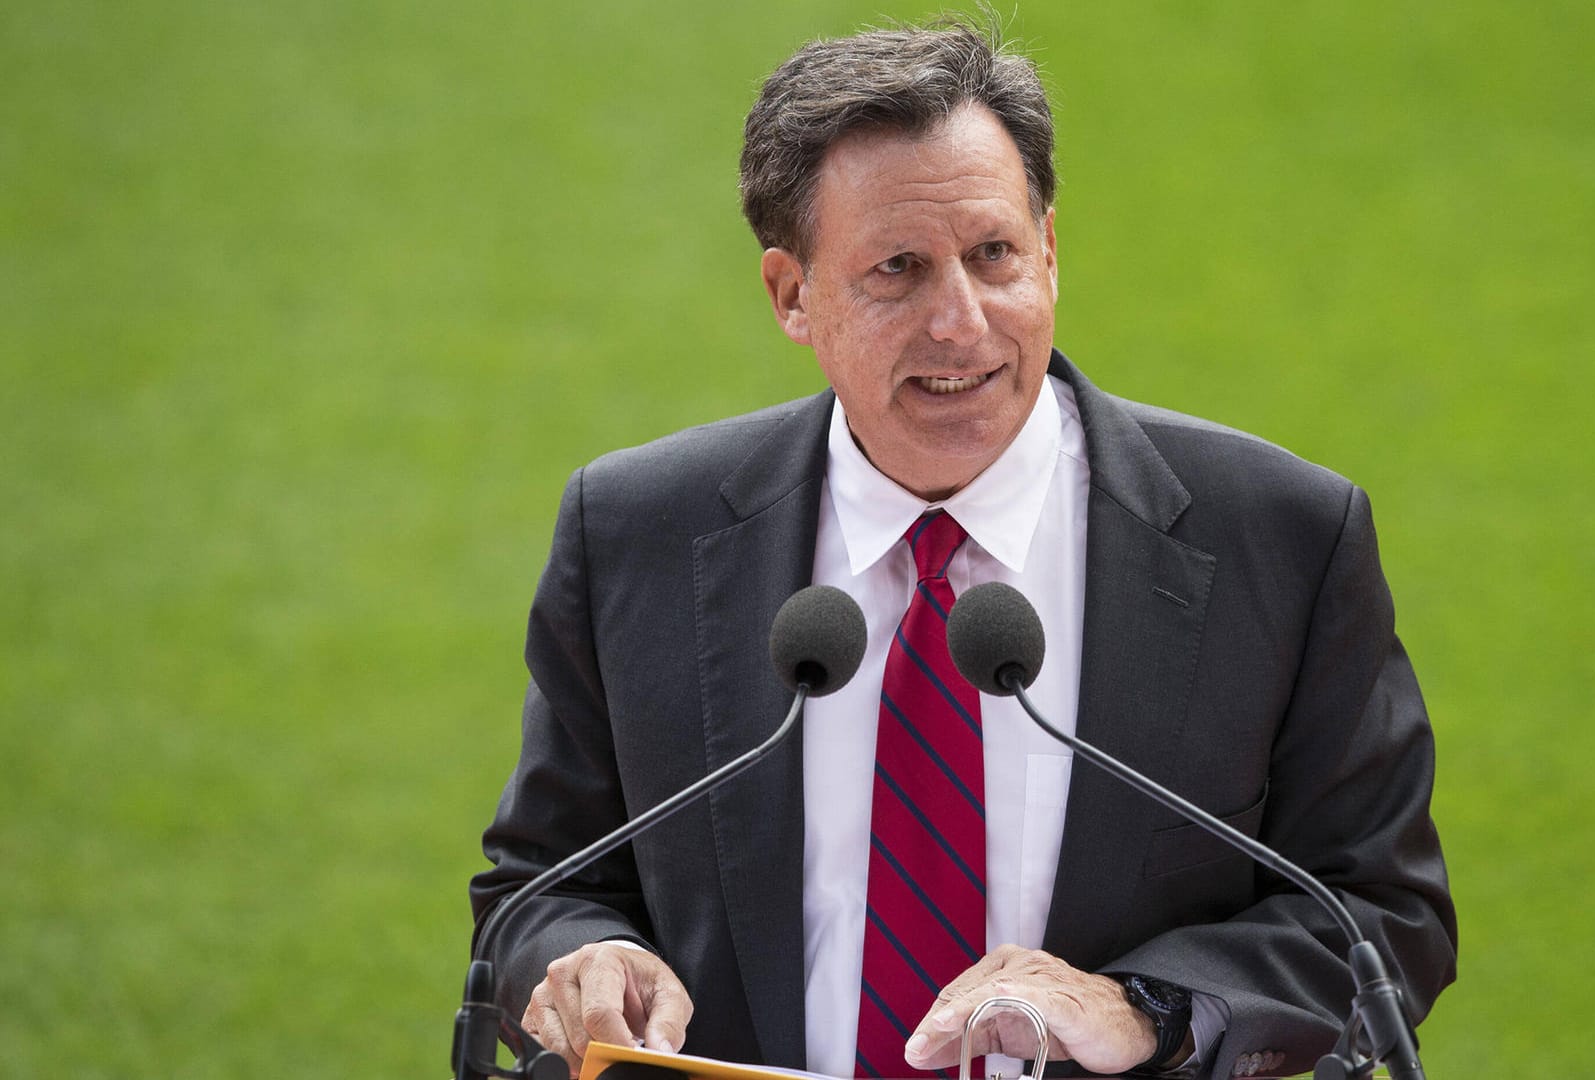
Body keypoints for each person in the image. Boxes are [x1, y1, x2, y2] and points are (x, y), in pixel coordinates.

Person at [471, 16, 1455, 1080]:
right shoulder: (632, 534)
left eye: (994, 256)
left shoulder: (1282, 537)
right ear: (792, 295)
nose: (961, 322)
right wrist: (585, 956)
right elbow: (541, 883)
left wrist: (1149, 1009)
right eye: (898, 268)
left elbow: (1381, 913)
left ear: (1051, 252)